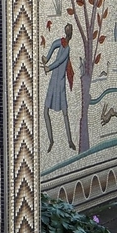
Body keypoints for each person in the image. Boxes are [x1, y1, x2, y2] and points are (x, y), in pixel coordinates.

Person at [42, 23, 76, 152]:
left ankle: (70, 141)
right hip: (53, 82)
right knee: (46, 111)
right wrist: (46, 58)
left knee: (65, 112)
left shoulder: (67, 49)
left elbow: (60, 61)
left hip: (59, 84)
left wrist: (48, 67)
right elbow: (53, 46)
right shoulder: (61, 42)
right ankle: (51, 140)